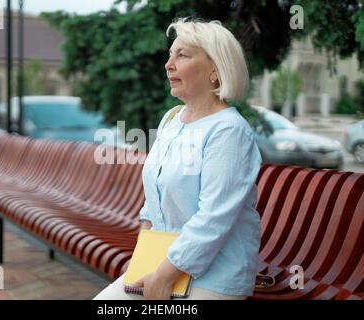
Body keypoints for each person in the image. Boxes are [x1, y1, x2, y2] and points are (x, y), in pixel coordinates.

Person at [94, 17, 262, 300]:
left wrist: (165, 275)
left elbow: (214, 218)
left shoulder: (229, 131)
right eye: (170, 55)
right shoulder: (171, 120)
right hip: (163, 263)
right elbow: (152, 204)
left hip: (214, 277)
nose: (168, 64)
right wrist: (144, 263)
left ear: (215, 69)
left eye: (182, 55)